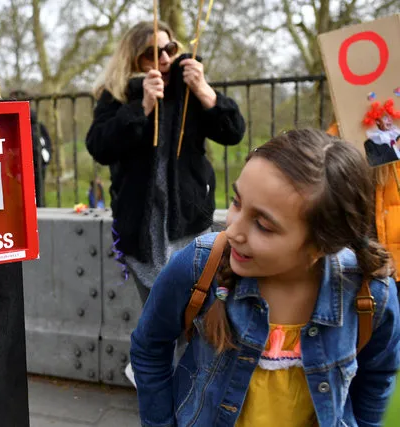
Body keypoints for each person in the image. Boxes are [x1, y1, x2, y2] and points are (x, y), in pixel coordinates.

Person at [130, 129, 400, 426]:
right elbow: (149, 345)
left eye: (262, 224)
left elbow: (377, 375)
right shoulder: (199, 265)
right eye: (236, 202)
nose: (232, 230)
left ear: (322, 244)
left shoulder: (370, 293)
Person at [85, 21, 245, 384]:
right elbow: (98, 145)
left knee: (196, 309)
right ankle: (153, 376)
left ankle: (172, 378)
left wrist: (205, 92)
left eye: (169, 48)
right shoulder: (118, 94)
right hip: (141, 226)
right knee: (159, 313)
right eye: (152, 53)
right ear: (134, 58)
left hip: (187, 221)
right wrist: (140, 108)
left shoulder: (189, 88)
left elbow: (234, 132)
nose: (165, 58)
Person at [8, 89, 52, 206]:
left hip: (28, 166)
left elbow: (47, 144)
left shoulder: (35, 125)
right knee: (36, 197)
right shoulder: (37, 124)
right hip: (34, 166)